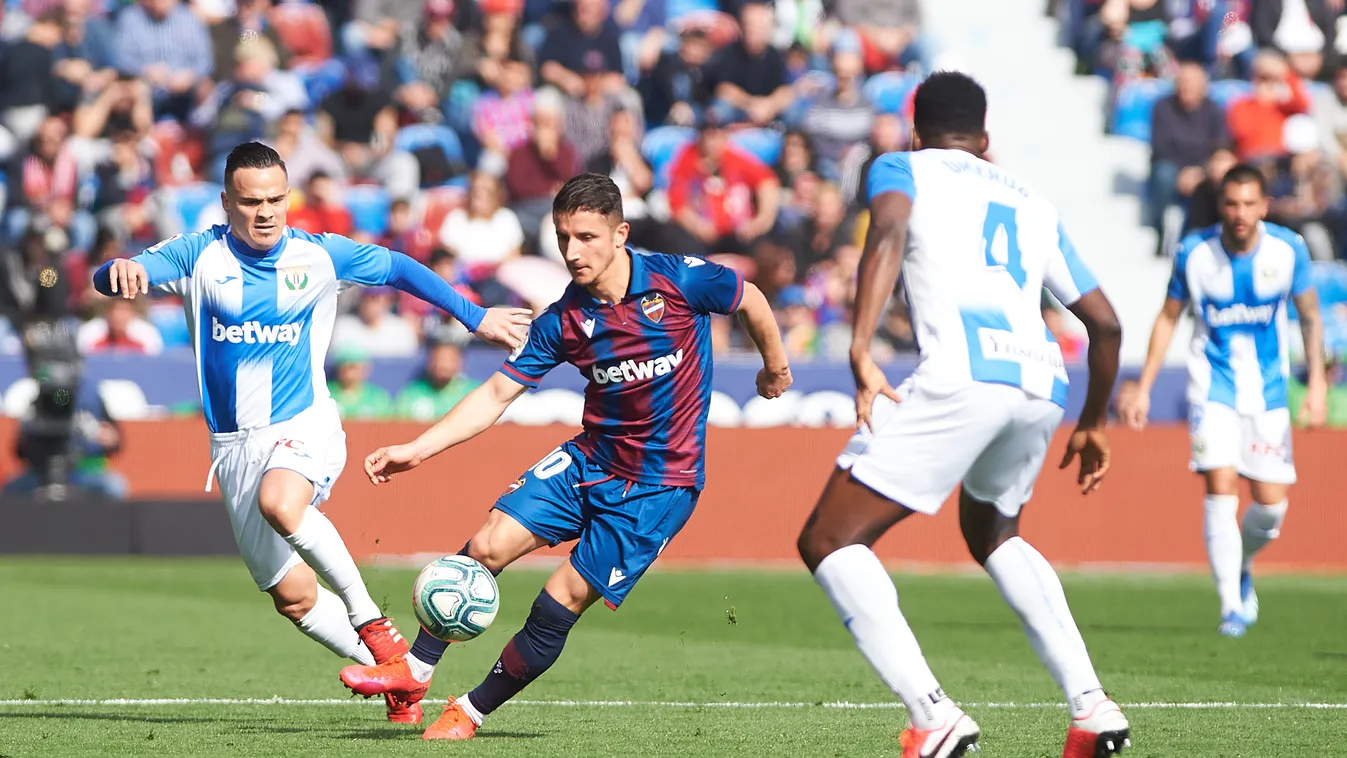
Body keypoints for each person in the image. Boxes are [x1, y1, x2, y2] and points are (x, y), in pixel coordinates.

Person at [336, 173, 792, 740]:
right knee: (487, 544)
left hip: (660, 485)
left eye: (586, 237)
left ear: (620, 234)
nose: (573, 252)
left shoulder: (678, 281)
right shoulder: (563, 320)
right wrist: (418, 450)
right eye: (562, 238)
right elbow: (498, 393)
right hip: (589, 461)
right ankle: (417, 669)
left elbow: (749, 297)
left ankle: (471, 711)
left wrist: (774, 366)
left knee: (559, 603)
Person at [90, 142, 532, 725]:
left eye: (277, 198)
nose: (266, 211)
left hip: (305, 424)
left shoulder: (320, 257)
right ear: (226, 203)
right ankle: (400, 686)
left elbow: (399, 267)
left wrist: (476, 317)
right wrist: (117, 270)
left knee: (281, 501)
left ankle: (376, 628)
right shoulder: (200, 256)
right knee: (292, 596)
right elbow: (119, 275)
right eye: (251, 202)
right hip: (233, 449)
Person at [793, 72, 1130, 758]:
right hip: (1040, 379)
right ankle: (1091, 707)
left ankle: (932, 714)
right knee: (992, 529)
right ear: (983, 140)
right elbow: (1105, 325)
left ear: (916, 131)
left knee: (828, 540)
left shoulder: (900, 166)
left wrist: (859, 346)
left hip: (963, 374)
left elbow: (886, 225)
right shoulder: (1031, 200)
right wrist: (1093, 420)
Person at [1119, 162, 1327, 638]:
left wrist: (1316, 385)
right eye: (1232, 203)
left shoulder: (1288, 250)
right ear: (1220, 206)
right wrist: (1143, 386)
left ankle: (1243, 563)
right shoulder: (1194, 253)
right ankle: (1231, 606)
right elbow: (1168, 317)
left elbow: (1311, 317)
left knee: (1270, 506)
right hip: (1211, 386)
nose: (1240, 213)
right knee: (1221, 484)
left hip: (1269, 392)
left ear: (1265, 206)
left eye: (1250, 203)